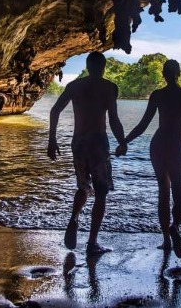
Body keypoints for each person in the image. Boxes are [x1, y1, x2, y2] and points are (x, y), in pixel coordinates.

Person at [116, 59, 181, 258]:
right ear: (178, 74)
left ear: (163, 74)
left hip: (158, 145)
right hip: (176, 146)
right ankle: (175, 227)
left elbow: (143, 125)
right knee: (180, 196)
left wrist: (124, 141)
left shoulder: (157, 95)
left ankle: (165, 240)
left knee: (163, 191)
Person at [48, 51, 125, 256]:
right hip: (98, 144)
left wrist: (52, 140)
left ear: (88, 66)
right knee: (101, 193)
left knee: (83, 187)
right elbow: (114, 120)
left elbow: (55, 110)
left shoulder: (74, 86)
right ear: (103, 67)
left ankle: (74, 217)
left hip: (79, 143)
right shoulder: (109, 88)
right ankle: (92, 243)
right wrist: (122, 142)